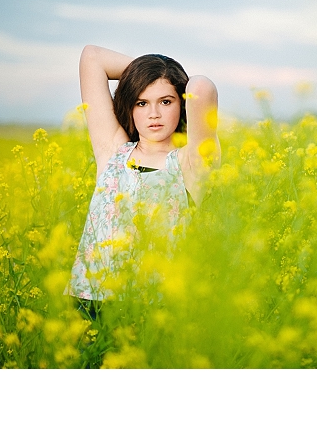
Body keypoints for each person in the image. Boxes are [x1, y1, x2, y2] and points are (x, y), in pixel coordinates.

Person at [64, 45, 220, 309]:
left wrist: (166, 72)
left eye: (166, 101)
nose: (154, 114)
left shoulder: (191, 162)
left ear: (182, 103)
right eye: (142, 102)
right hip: (87, 301)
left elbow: (201, 87)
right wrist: (146, 72)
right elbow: (92, 57)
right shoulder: (112, 151)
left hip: (154, 307)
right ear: (131, 106)